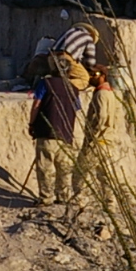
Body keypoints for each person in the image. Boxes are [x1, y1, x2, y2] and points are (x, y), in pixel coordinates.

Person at [27, 49, 90, 204]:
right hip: (66, 134)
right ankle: (63, 196)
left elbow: (36, 104)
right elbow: (77, 108)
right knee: (64, 168)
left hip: (47, 131)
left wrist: (32, 123)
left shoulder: (45, 83)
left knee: (45, 166)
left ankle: (46, 197)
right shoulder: (73, 89)